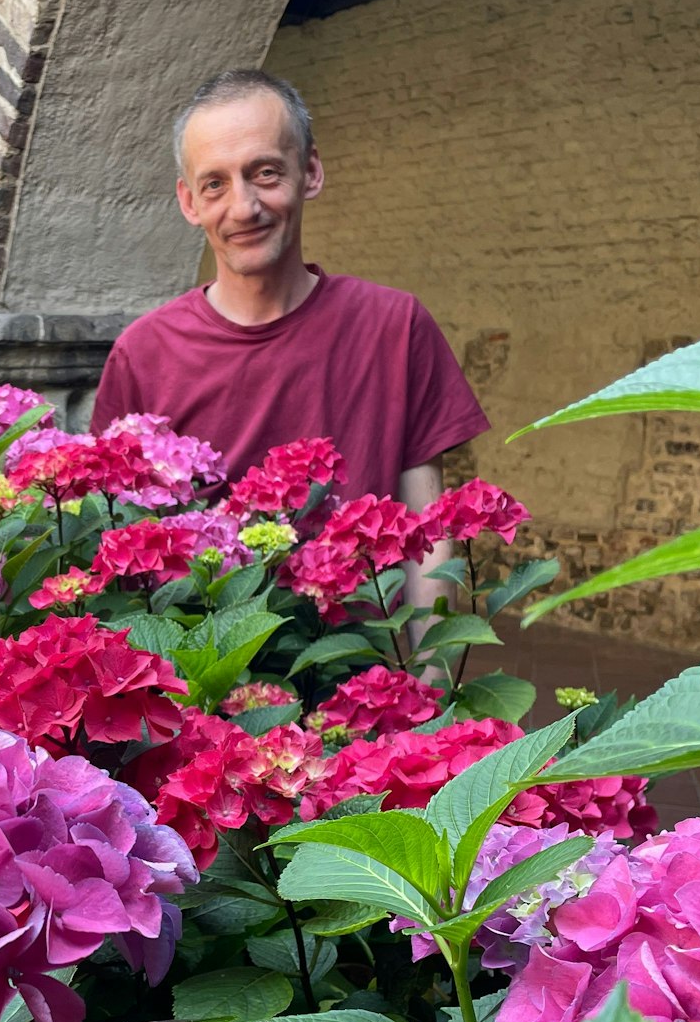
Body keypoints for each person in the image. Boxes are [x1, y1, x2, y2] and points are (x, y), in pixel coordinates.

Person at [91, 68, 488, 625]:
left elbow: (428, 538)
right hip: (208, 681)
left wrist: (430, 685)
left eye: (266, 172)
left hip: (366, 678)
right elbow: (118, 551)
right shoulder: (144, 353)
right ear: (188, 202)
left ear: (312, 171)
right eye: (215, 184)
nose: (244, 206)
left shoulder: (394, 327)